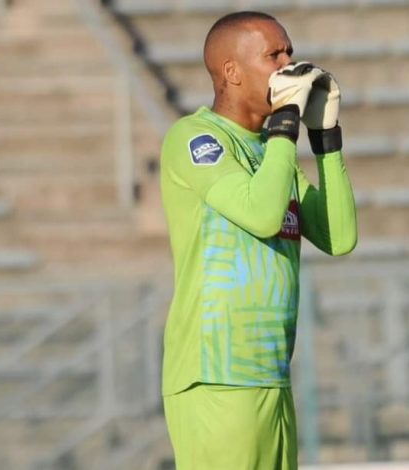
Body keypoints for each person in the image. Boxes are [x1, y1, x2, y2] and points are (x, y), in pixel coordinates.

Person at [159, 10, 357, 470]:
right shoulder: (195, 138)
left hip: (271, 376)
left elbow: (339, 236)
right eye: (275, 55)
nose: (289, 65)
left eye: (290, 52)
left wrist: (324, 137)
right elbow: (263, 215)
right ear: (231, 71)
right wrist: (286, 119)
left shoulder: (273, 154)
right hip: (216, 379)